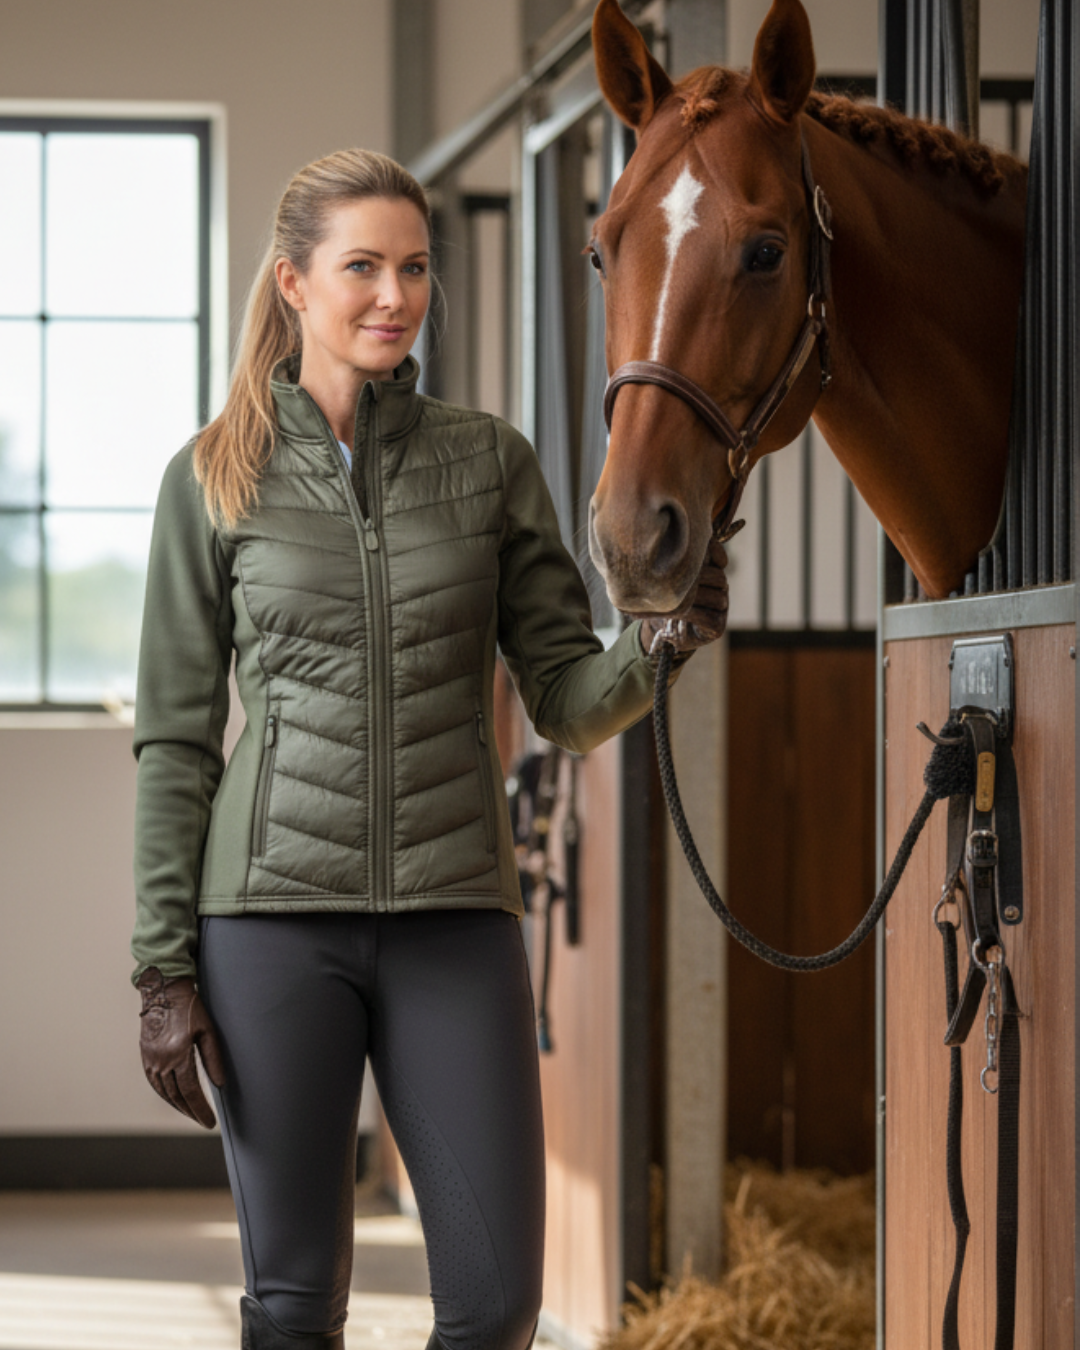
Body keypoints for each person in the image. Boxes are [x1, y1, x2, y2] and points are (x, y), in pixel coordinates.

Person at [130, 147, 728, 1350]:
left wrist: (656, 643)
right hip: (266, 925)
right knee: (294, 1305)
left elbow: (562, 693)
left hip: (456, 915)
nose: (394, 296)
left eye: (413, 268)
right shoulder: (211, 478)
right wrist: (160, 970)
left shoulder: (488, 460)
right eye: (363, 267)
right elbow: (175, 741)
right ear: (295, 284)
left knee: (497, 1301)